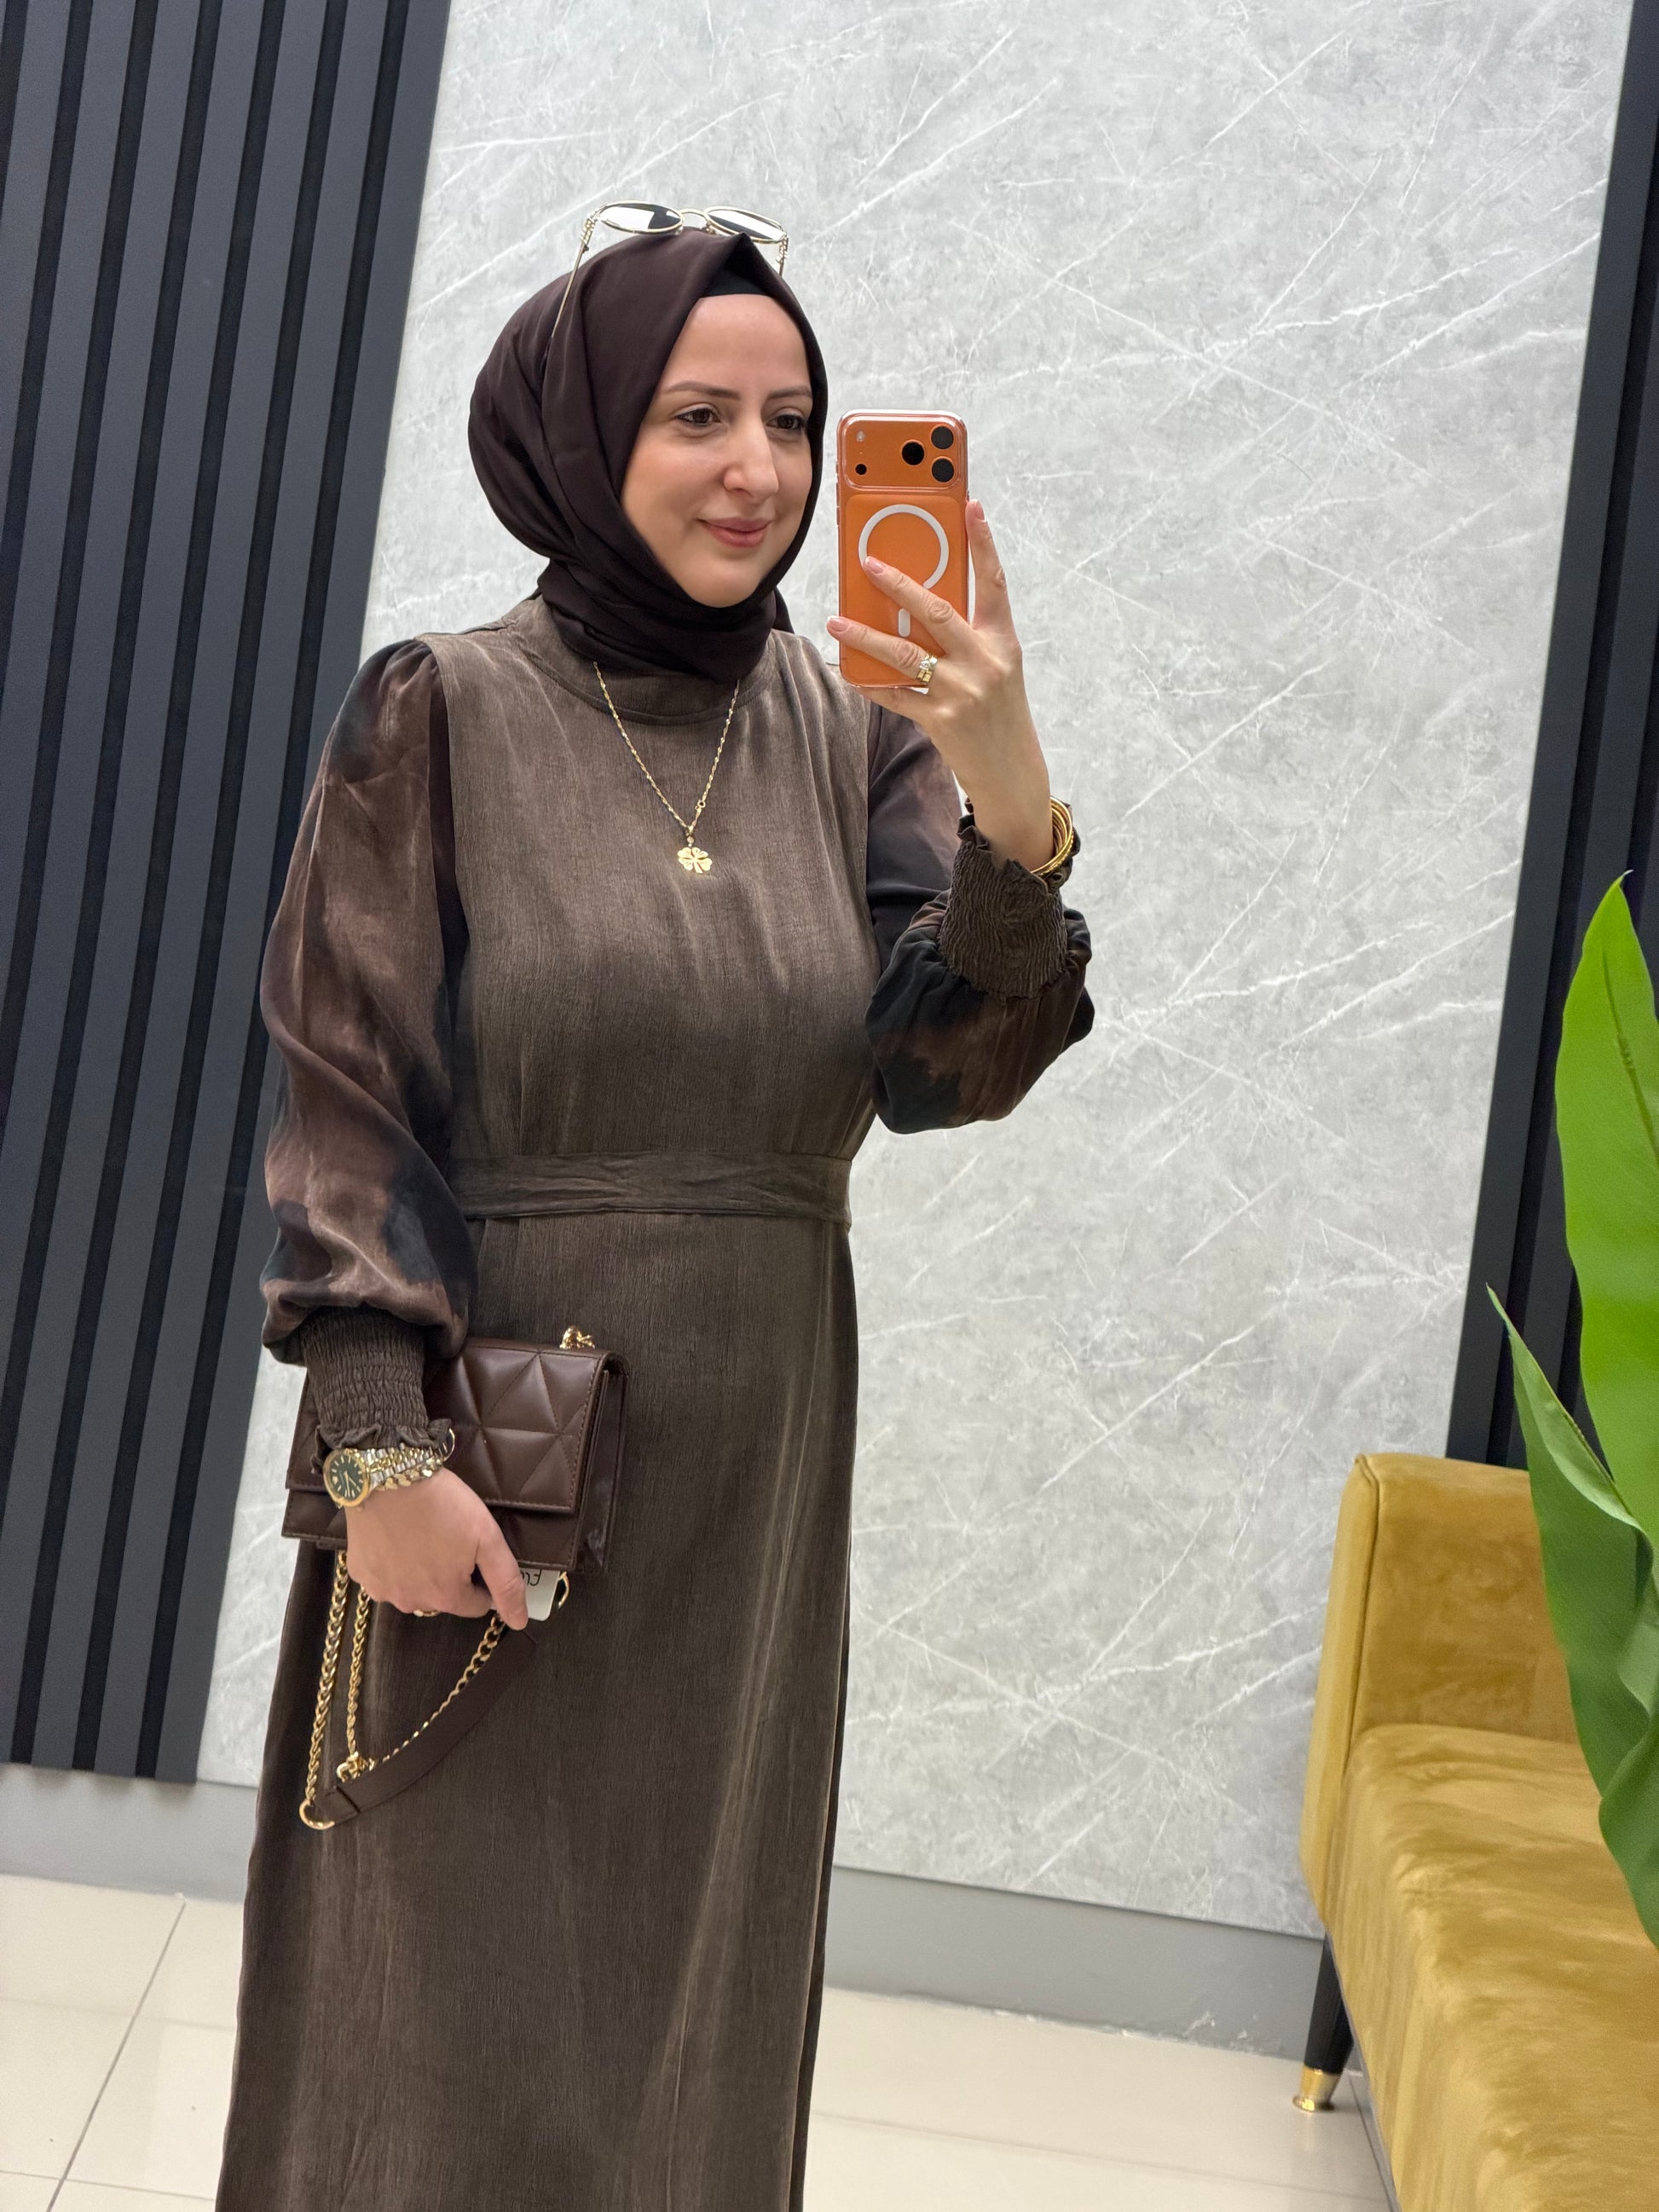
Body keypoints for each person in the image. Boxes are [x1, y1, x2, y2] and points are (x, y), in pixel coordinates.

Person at [217, 217, 1092, 2211]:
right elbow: (348, 1100)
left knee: (689, 1991)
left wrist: (1008, 794)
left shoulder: (858, 737)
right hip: (489, 1458)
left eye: (791, 419)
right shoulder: (441, 709)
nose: (756, 467)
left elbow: (944, 1070)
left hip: (746, 1481)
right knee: (428, 1989)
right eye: (697, 414)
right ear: (585, 425)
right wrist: (373, 1449)